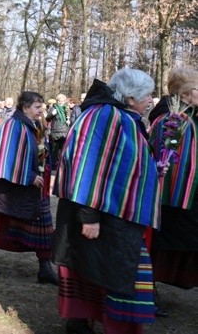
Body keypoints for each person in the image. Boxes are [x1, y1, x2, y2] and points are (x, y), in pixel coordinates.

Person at [52, 69, 160, 334]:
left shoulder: (119, 115)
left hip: (115, 214)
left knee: (96, 271)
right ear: (131, 97)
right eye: (147, 95)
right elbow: (84, 165)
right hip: (104, 217)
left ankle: (81, 323)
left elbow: (119, 161)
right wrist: (89, 218)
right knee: (112, 273)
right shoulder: (105, 115)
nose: (151, 101)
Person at [0, 91, 58, 285]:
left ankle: (45, 268)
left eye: (41, 107)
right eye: (37, 107)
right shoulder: (13, 126)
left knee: (43, 224)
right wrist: (30, 176)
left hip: (34, 187)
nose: (41, 111)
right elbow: (7, 156)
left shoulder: (35, 124)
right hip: (10, 187)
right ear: (25, 108)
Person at [148, 68, 198, 293]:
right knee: (162, 243)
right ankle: (146, 288)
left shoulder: (191, 116)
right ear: (187, 92)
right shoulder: (172, 119)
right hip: (174, 199)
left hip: (187, 198)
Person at [45, 93, 70, 170]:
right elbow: (47, 118)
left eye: (62, 100)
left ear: (65, 101)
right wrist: (52, 114)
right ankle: (53, 167)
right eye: (59, 100)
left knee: (63, 150)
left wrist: (69, 120)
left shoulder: (67, 109)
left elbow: (71, 118)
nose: (60, 102)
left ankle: (61, 166)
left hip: (65, 132)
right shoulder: (54, 108)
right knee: (54, 151)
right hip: (56, 132)